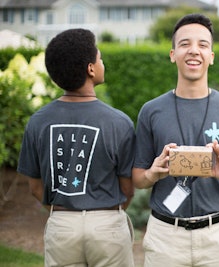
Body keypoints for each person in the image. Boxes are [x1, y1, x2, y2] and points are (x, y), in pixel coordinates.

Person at [132, 13, 219, 267]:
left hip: (218, 237)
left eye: (203, 45)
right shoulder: (151, 111)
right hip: (165, 236)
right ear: (172, 54)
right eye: (185, 44)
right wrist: (153, 174)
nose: (194, 51)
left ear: (212, 57)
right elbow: (138, 178)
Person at [17, 28, 136, 267]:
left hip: (62, 223)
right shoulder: (118, 122)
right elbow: (127, 188)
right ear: (91, 69)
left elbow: (35, 187)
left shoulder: (38, 121)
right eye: (100, 58)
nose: (102, 62)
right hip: (107, 223)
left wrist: (64, 208)